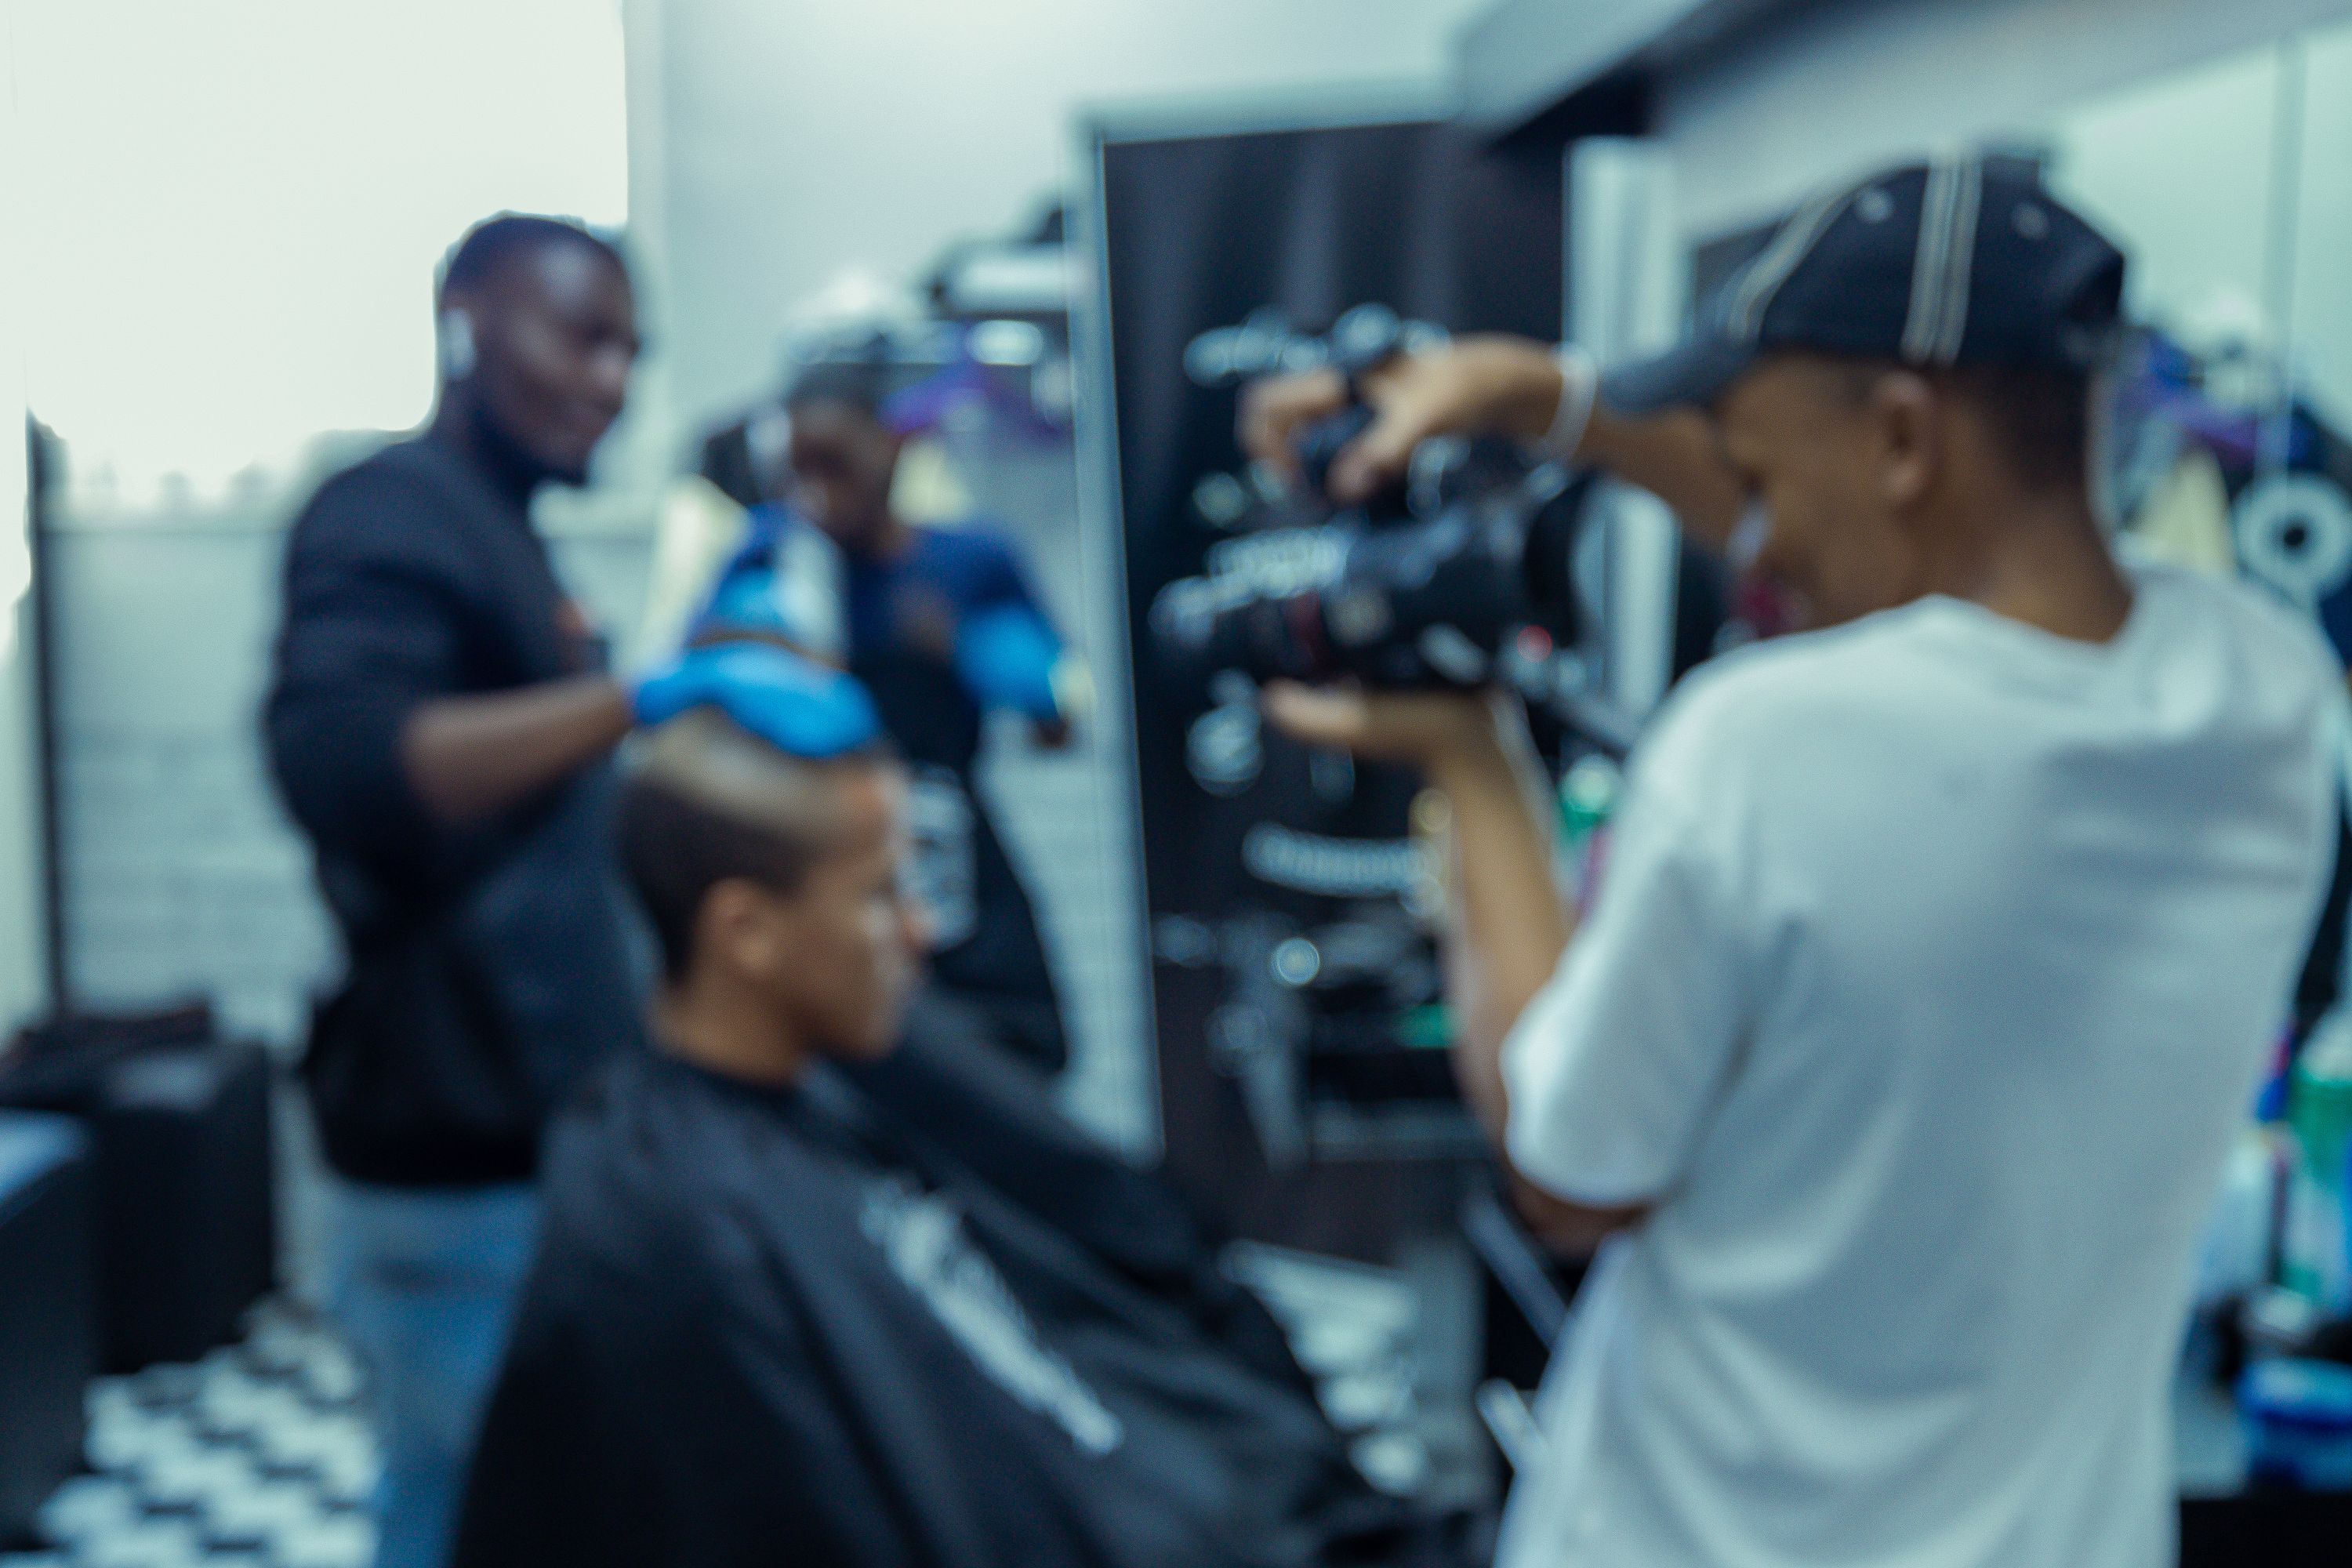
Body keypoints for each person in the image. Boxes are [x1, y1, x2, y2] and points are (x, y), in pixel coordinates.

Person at [1242, 156, 2342, 1566]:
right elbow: (1924, 570)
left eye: (1758, 477)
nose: (1751, 540)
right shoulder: (2266, 697)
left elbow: (1570, 1175)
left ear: (1903, 437)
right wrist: (1543, 399)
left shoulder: (1764, 748)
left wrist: (1476, 769)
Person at [450, 708, 1468, 1568]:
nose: (921, 930)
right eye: (878, 893)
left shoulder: (829, 1104)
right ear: (746, 930)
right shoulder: (672, 1237)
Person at [266, 212, 878, 1568]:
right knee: (470, 1516)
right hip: (455, 1159)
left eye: (631, 354)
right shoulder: (385, 510)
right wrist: (645, 691)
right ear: (466, 319)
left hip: (544, 1140)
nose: (612, 382)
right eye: (583, 339)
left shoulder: (509, 536)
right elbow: (348, 765)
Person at [693, 356, 1083, 1072]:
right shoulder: (770, 557)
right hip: (821, 860)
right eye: (797, 471)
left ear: (893, 447)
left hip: (948, 858)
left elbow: (1059, 726)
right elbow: (694, 706)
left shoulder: (970, 560)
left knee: (1012, 1063)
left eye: (835, 464)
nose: (817, 492)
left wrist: (975, 651)